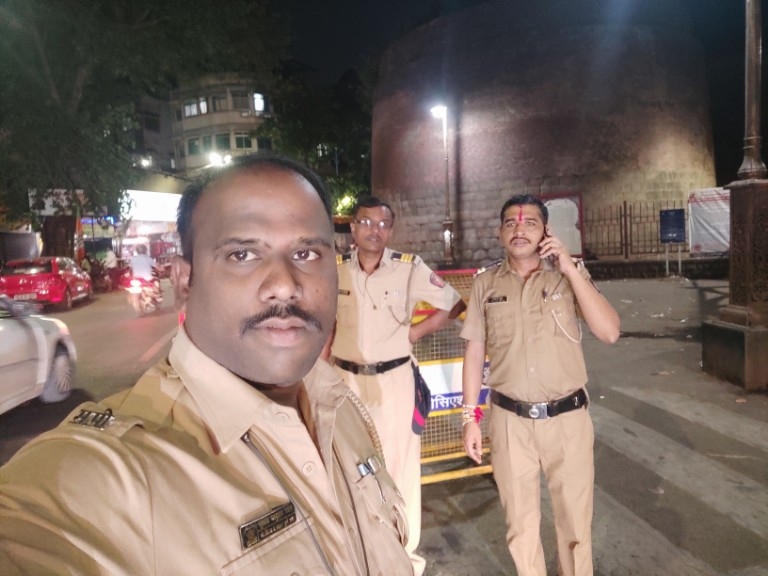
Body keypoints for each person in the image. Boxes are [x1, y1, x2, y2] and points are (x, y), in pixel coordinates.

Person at [0, 154, 414, 575]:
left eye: (306, 253)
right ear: (184, 279)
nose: (285, 285)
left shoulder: (341, 404)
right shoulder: (112, 474)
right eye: (242, 254)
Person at [460, 194, 620, 576]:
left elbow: (610, 331)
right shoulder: (485, 284)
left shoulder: (566, 277)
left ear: (546, 231)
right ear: (500, 233)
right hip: (510, 423)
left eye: (530, 223)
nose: (520, 230)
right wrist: (470, 419)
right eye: (511, 224)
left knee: (575, 526)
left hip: (567, 421)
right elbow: (474, 352)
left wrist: (570, 269)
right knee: (520, 528)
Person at [327, 196, 466, 576]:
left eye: (382, 224)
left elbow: (453, 304)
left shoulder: (409, 268)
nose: (374, 230)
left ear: (390, 231)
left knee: (399, 469)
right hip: (345, 380)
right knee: (347, 468)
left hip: (394, 382)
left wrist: (415, 332)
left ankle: (406, 561)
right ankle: (360, 556)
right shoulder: (335, 271)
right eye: (365, 222)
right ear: (352, 229)